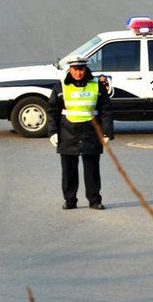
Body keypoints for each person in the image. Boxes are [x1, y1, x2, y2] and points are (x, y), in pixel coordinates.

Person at [46, 56, 113, 210]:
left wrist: (107, 132)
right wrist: (53, 132)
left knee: (92, 169)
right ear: (70, 70)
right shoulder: (61, 86)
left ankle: (94, 200)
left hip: (91, 131)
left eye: (81, 69)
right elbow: (52, 111)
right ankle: (70, 200)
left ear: (85, 69)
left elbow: (106, 110)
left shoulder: (96, 85)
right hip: (67, 131)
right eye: (75, 69)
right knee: (68, 170)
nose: (78, 73)